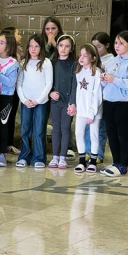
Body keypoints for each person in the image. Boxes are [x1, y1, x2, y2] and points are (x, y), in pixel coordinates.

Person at [101, 31, 128, 177]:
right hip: (109, 100)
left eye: (121, 43)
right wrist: (103, 79)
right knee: (111, 133)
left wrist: (114, 80)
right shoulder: (112, 61)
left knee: (122, 133)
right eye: (116, 43)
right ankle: (116, 162)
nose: (117, 46)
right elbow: (107, 81)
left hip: (123, 103)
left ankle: (123, 164)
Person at [16, 34, 52, 168]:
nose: (33, 49)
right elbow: (19, 84)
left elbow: (49, 84)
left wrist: (38, 100)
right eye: (31, 46)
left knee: (39, 130)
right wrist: (24, 100)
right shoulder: (23, 63)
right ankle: (24, 156)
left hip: (41, 103)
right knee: (25, 129)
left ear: (41, 48)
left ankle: (39, 157)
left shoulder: (46, 63)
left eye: (36, 46)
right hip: (26, 102)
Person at [0, 32, 20, 167]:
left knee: (4, 124)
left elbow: (10, 82)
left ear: (9, 47)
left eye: (2, 42)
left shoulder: (13, 63)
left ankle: (2, 154)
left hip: (6, 96)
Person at [72, 44, 104, 174]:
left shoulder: (97, 73)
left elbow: (97, 95)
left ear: (93, 58)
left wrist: (92, 114)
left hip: (94, 112)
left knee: (93, 135)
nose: (82, 58)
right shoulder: (78, 72)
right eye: (81, 55)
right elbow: (76, 92)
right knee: (78, 133)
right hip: (81, 110)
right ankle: (81, 161)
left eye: (86, 55)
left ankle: (93, 162)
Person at [48, 35, 78, 169]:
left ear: (71, 49)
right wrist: (50, 92)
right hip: (55, 102)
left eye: (67, 46)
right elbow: (47, 81)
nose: (63, 49)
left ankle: (63, 157)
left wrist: (73, 102)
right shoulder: (51, 63)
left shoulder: (74, 65)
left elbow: (74, 85)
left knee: (66, 129)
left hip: (68, 103)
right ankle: (55, 157)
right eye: (61, 45)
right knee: (56, 129)